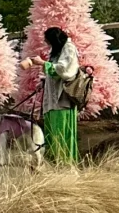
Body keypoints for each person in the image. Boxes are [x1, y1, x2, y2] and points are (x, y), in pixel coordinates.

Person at [20, 26, 80, 165]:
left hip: (62, 98)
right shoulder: (58, 50)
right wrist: (44, 80)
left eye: (48, 41)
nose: (47, 44)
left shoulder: (69, 48)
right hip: (52, 98)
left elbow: (63, 69)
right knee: (52, 129)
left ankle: (64, 161)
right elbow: (53, 70)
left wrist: (42, 63)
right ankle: (53, 160)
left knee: (61, 130)